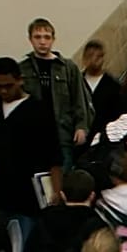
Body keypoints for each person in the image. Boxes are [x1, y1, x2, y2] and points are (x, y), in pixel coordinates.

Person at [0, 57, 63, 216]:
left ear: (20, 80)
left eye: (8, 86)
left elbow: (54, 156)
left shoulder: (38, 111)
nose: (4, 91)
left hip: (31, 194)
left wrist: (56, 191)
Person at [20, 19, 93, 169]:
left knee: (63, 175)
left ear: (53, 39)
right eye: (37, 37)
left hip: (62, 133)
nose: (42, 42)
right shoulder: (23, 69)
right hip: (33, 135)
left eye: (46, 37)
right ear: (30, 39)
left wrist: (81, 126)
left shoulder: (67, 67)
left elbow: (79, 98)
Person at [82, 41, 124, 139]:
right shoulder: (77, 83)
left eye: (98, 56)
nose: (94, 60)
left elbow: (118, 115)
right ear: (84, 58)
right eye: (90, 56)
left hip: (104, 138)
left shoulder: (113, 85)